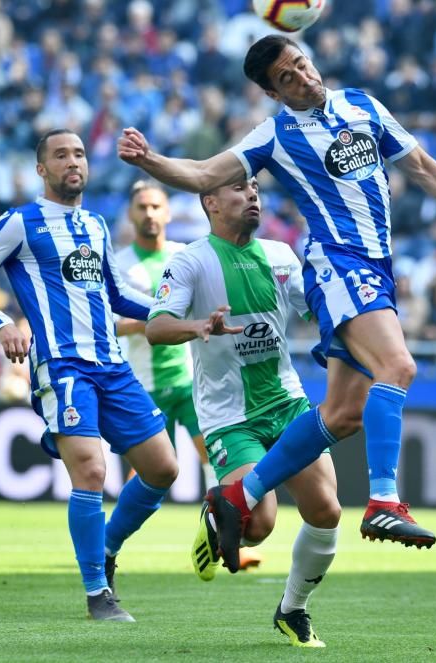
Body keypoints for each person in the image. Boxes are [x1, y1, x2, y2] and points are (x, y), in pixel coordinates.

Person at [118, 35, 436, 566]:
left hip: (377, 268)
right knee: (398, 366)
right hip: (339, 262)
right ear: (273, 93)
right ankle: (383, 498)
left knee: (343, 413)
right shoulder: (276, 135)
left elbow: (424, 168)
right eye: (286, 78)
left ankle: (236, 497)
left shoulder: (363, 105)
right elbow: (202, 174)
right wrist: (149, 159)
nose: (303, 78)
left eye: (301, 65)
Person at [0, 129, 179, 623]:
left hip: (113, 365)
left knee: (164, 468)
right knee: (92, 473)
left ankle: (108, 547)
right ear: (41, 169)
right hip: (62, 366)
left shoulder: (96, 225)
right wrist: (2, 323)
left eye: (78, 153)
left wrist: (178, 313)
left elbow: (119, 297)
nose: (72, 161)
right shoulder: (20, 223)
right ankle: (99, 594)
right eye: (60, 155)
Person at [145, 176, 341, 648]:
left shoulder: (280, 255)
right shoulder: (190, 261)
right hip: (228, 414)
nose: (252, 194)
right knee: (259, 523)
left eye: (254, 187)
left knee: (327, 511)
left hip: (287, 400)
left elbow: (313, 309)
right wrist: (198, 326)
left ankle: (293, 610)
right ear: (211, 202)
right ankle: (216, 520)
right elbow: (156, 328)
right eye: (238, 189)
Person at [114, 179, 263, 569]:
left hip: (189, 382)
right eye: (141, 207)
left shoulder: (185, 257)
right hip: (143, 385)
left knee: (218, 460)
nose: (149, 214)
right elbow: (109, 324)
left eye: (155, 207)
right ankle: (114, 544)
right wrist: (159, 317)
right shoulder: (120, 265)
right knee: (146, 473)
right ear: (131, 215)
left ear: (167, 213)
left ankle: (232, 540)